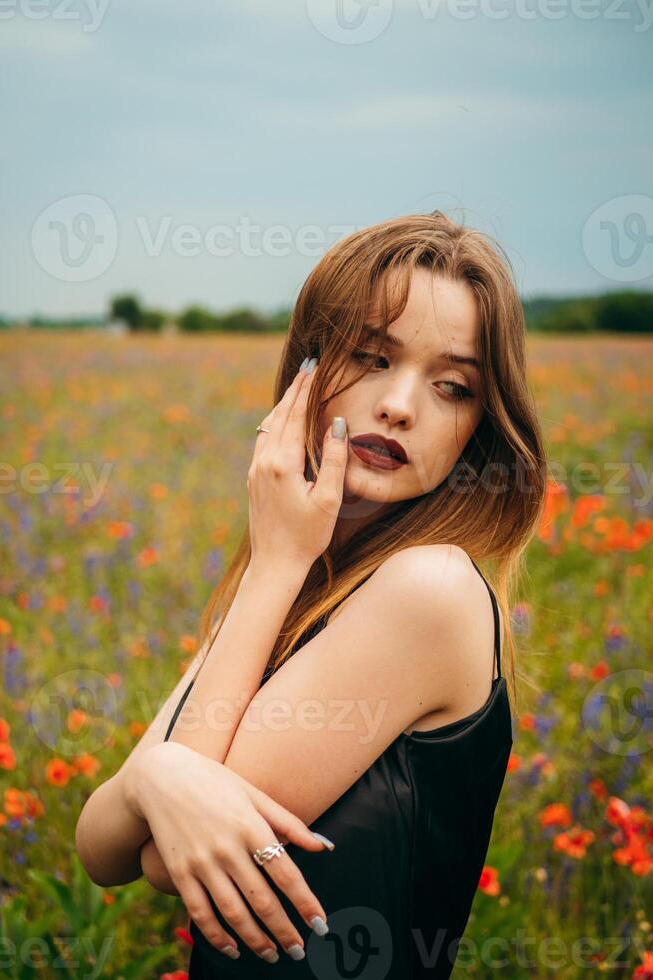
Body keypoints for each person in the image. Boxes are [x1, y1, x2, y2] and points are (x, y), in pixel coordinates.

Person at [75, 211, 547, 978]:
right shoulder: (301, 578)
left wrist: (160, 775)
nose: (399, 405)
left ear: (477, 431)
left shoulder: (427, 589)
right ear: (306, 369)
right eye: (370, 356)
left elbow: (161, 859)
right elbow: (101, 845)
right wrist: (159, 776)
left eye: (452, 386)